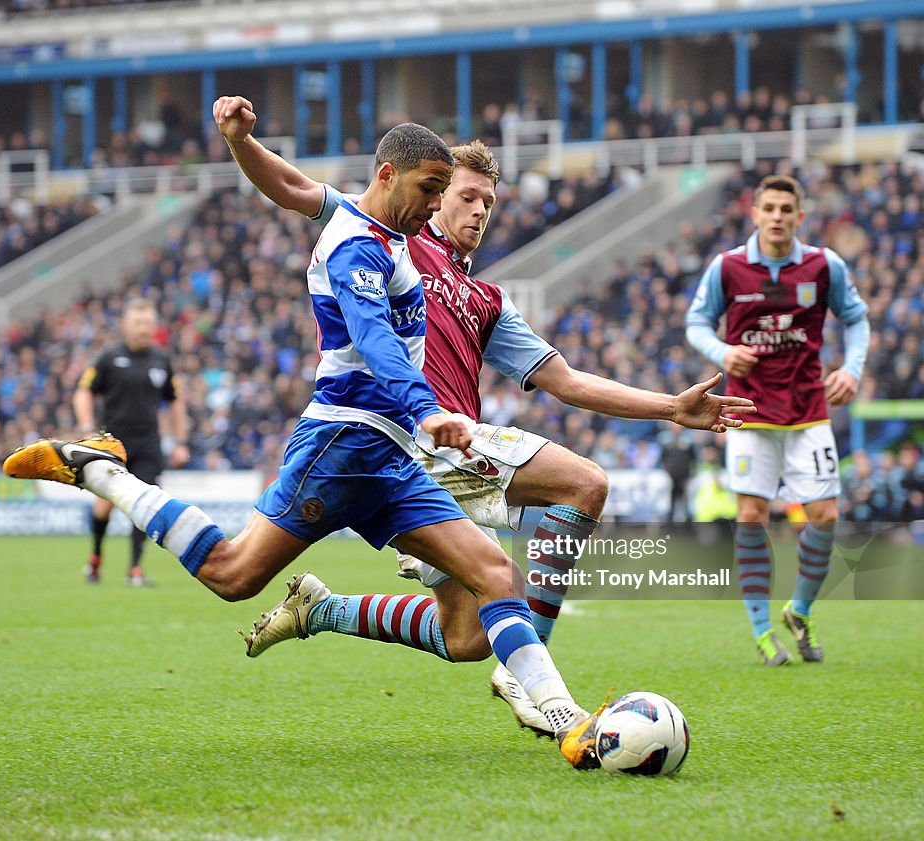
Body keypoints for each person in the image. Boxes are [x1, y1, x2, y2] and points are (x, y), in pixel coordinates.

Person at [5, 122, 607, 771]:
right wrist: (428, 408)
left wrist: (240, 141)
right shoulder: (355, 247)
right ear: (386, 176)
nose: (437, 205)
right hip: (342, 443)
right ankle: (102, 470)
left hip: (393, 457)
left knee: (494, 578)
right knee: (234, 574)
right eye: (431, 190)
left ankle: (569, 722)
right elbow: (374, 340)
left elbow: (290, 183)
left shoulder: (390, 236)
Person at [211, 94, 756, 736]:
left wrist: (670, 407)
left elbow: (566, 380)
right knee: (584, 483)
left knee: (466, 636)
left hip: (442, 460)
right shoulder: (378, 235)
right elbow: (292, 185)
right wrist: (241, 141)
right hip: (415, 440)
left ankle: (325, 611)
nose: (477, 210)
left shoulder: (484, 298)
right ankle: (533, 679)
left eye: (487, 202)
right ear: (431, 193)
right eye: (463, 195)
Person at [686, 173, 870, 666]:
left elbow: (856, 318)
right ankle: (764, 632)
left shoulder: (822, 265)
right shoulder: (727, 268)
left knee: (825, 517)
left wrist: (851, 369)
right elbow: (696, 323)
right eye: (769, 208)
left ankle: (801, 608)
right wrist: (723, 351)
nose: (777, 217)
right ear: (755, 213)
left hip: (809, 409)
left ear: (799, 216)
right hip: (748, 412)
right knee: (750, 517)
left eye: (786, 209)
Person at [73, 297, 190, 586]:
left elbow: (175, 401)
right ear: (125, 325)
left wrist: (180, 441)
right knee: (105, 505)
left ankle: (135, 569)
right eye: (138, 323)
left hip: (148, 442)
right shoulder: (109, 357)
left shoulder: (161, 359)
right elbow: (83, 391)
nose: (144, 328)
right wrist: (87, 427)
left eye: (149, 323)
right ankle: (96, 558)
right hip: (112, 442)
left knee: (146, 502)